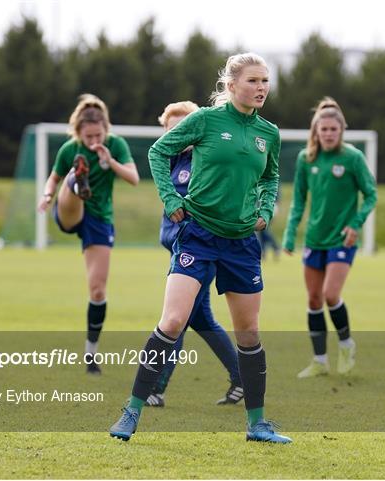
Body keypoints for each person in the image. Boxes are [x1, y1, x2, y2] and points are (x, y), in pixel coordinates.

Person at [110, 53, 291, 443]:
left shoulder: (269, 133)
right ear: (231, 85)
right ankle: (131, 412)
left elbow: (271, 176)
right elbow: (158, 153)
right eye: (253, 81)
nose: (261, 88)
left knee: (249, 332)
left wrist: (265, 208)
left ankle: (257, 424)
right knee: (173, 321)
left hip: (242, 242)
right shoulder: (206, 120)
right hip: (198, 235)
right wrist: (170, 201)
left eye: (265, 81)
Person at [145, 100, 243, 407]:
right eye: (170, 128)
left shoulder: (203, 165)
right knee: (202, 322)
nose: (177, 133)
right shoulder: (170, 164)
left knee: (175, 320)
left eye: (182, 126)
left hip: (199, 254)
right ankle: (243, 379)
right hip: (181, 253)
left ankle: (155, 388)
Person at [38, 93, 139, 374]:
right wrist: (47, 195)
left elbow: (133, 178)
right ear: (78, 133)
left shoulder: (116, 145)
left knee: (97, 289)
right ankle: (76, 180)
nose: (94, 141)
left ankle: (91, 353)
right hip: (70, 212)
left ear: (106, 130)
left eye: (98, 135)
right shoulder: (70, 149)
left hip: (99, 220)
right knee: (69, 182)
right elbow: (52, 177)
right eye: (89, 137)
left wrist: (110, 162)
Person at [282, 97, 377, 378]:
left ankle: (347, 345)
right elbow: (298, 200)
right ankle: (319, 361)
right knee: (313, 300)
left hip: (342, 239)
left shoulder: (353, 158)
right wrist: (289, 234)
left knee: (330, 294)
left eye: (333, 130)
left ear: (341, 130)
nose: (328, 134)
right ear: (316, 131)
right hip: (314, 239)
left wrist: (355, 223)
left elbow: (370, 194)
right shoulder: (305, 158)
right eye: (323, 130)